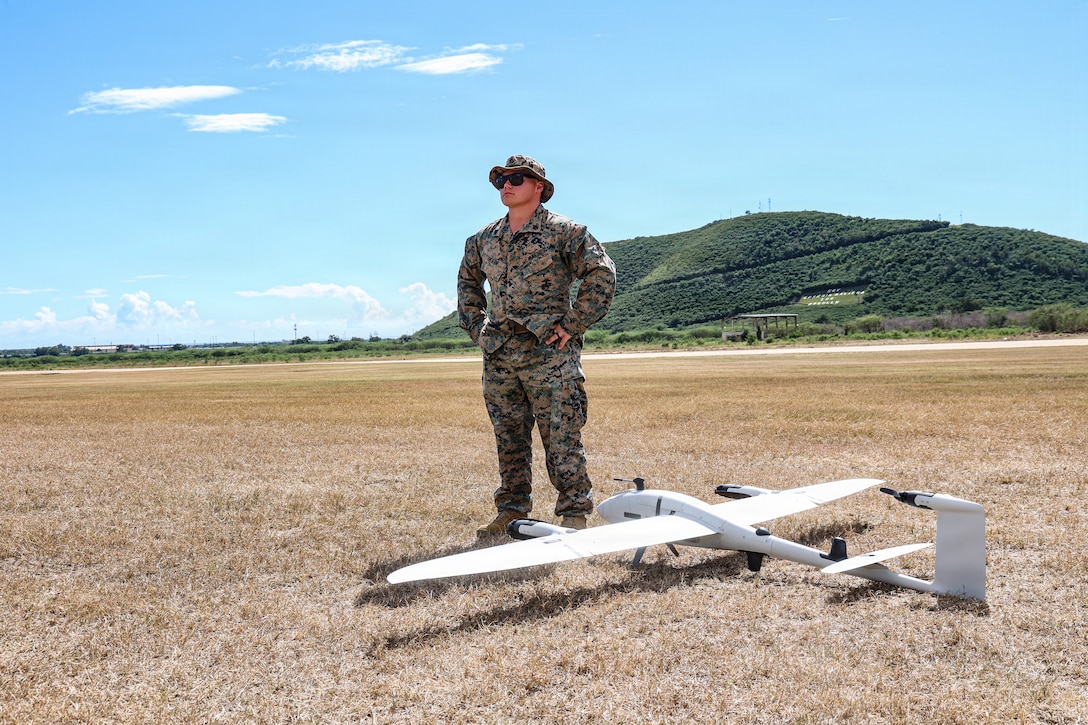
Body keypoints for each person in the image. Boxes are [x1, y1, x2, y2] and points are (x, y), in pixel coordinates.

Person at [457, 155, 616, 538]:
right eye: (500, 181)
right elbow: (467, 285)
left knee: (561, 436)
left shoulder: (565, 232)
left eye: (515, 179)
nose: (506, 185)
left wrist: (573, 324)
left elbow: (601, 273)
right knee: (508, 439)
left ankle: (574, 513)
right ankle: (511, 510)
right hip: (500, 356)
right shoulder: (483, 239)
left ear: (539, 187)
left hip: (549, 354)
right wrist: (479, 330)